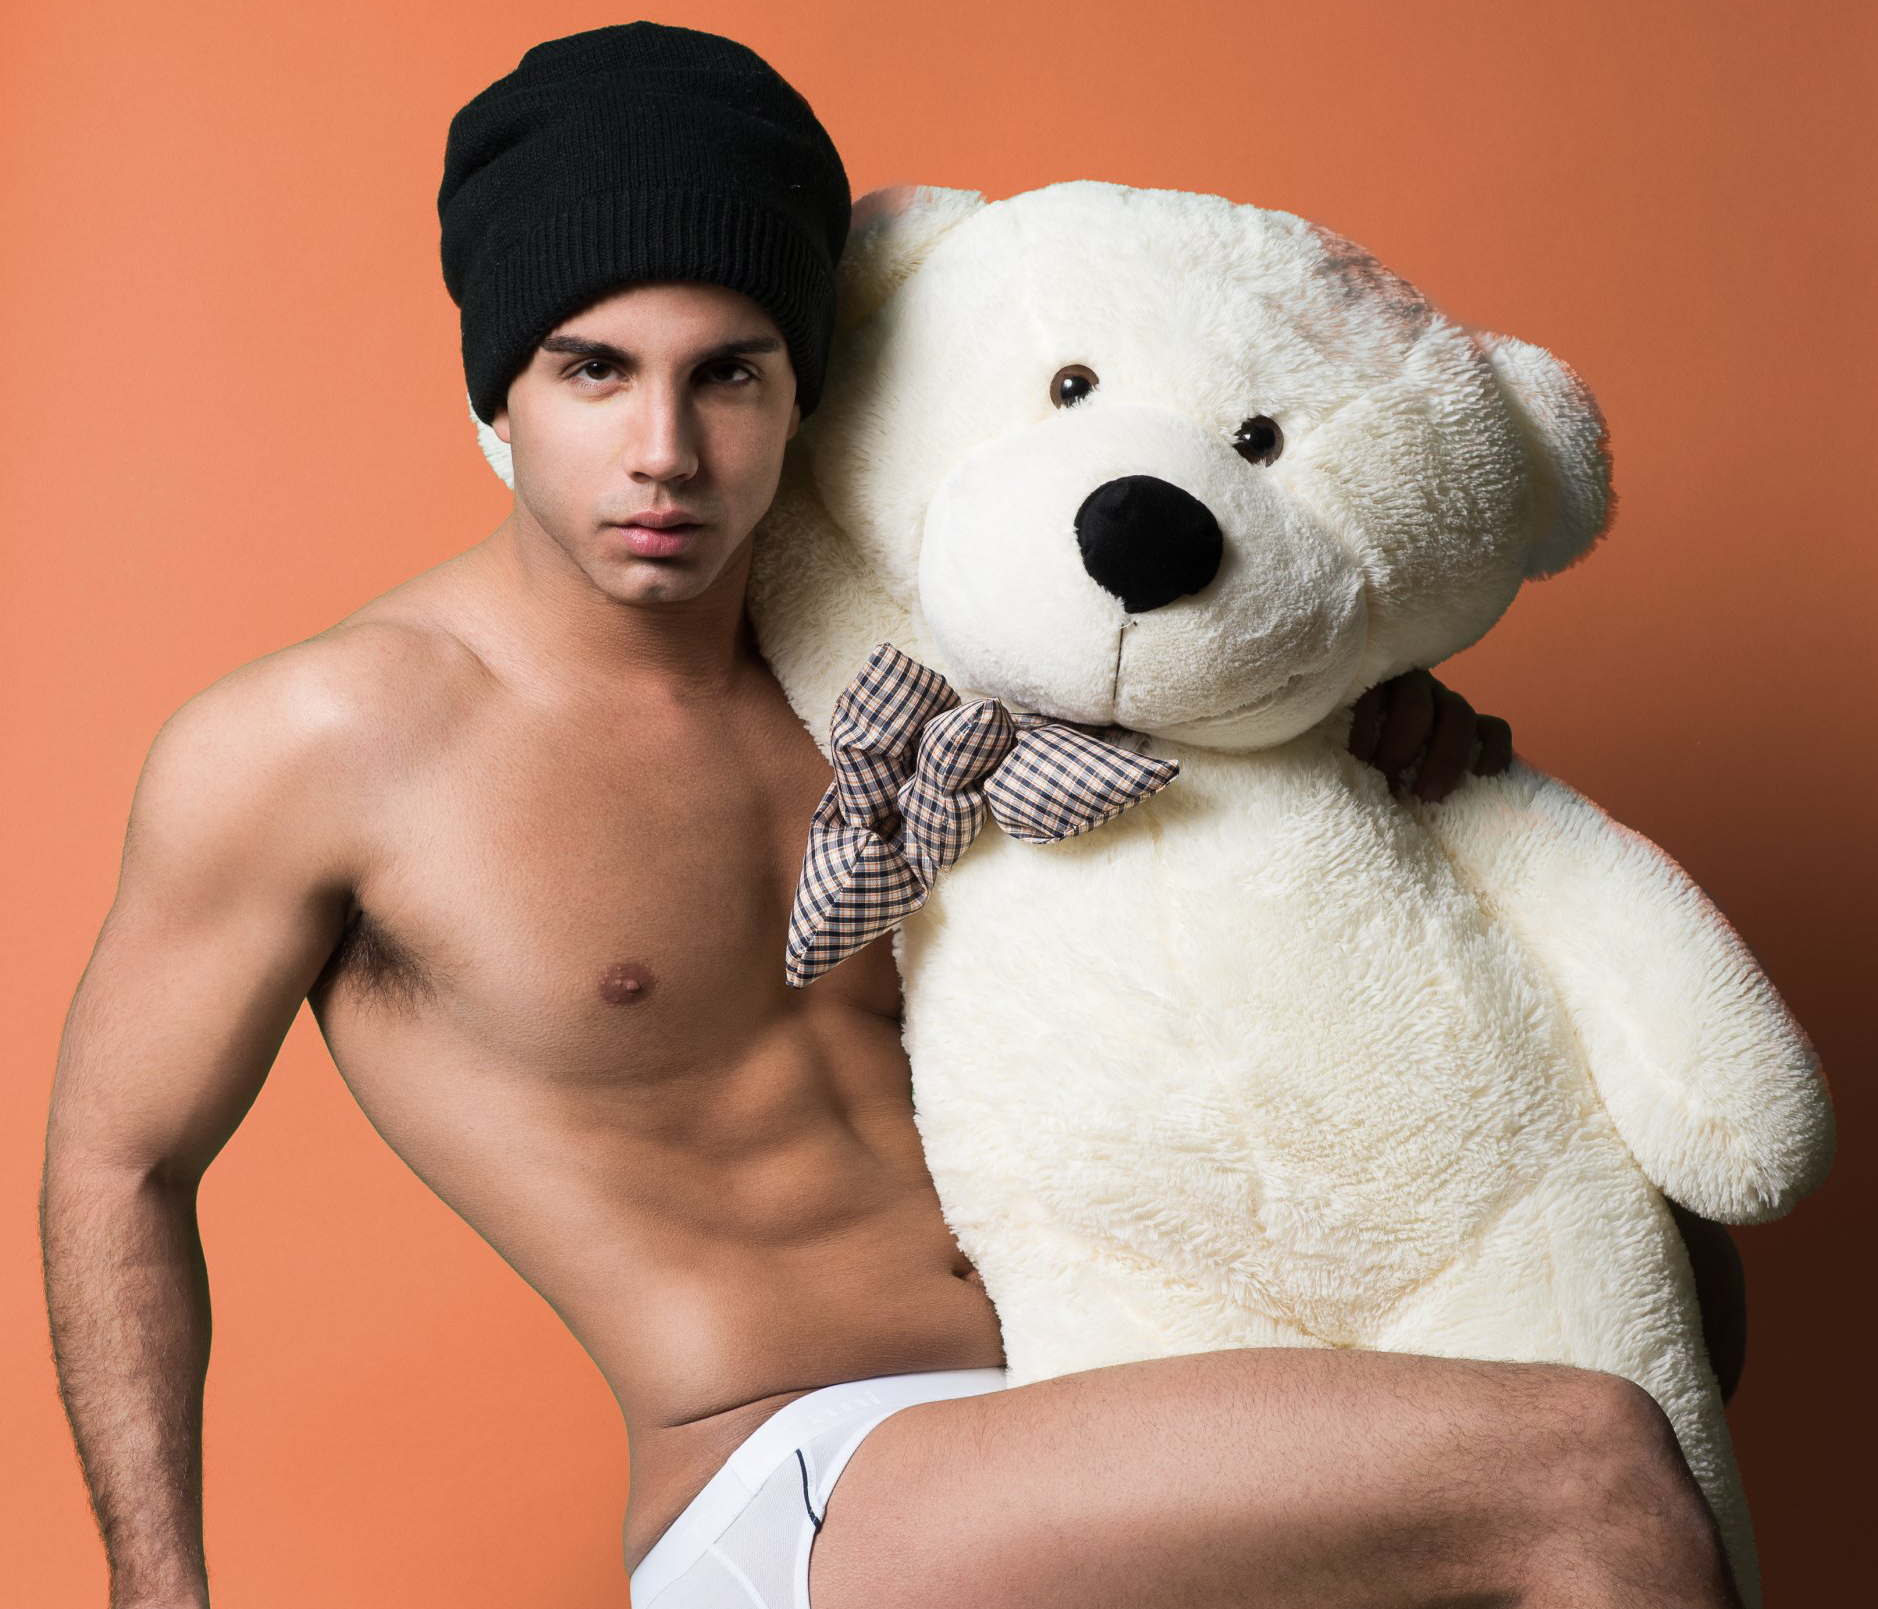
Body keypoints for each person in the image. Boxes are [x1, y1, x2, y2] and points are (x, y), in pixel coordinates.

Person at [40, 22, 1746, 1609]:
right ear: (500, 392)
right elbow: (120, 1163)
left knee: (1662, 1326)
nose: (662, 449)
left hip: (1118, 1405)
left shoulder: (934, 670)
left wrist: (1391, 738)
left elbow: (1242, 871)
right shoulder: (328, 740)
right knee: (1582, 1465)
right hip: (797, 1477)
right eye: (592, 371)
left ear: (803, 392)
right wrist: (154, 1594)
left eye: (728, 375)